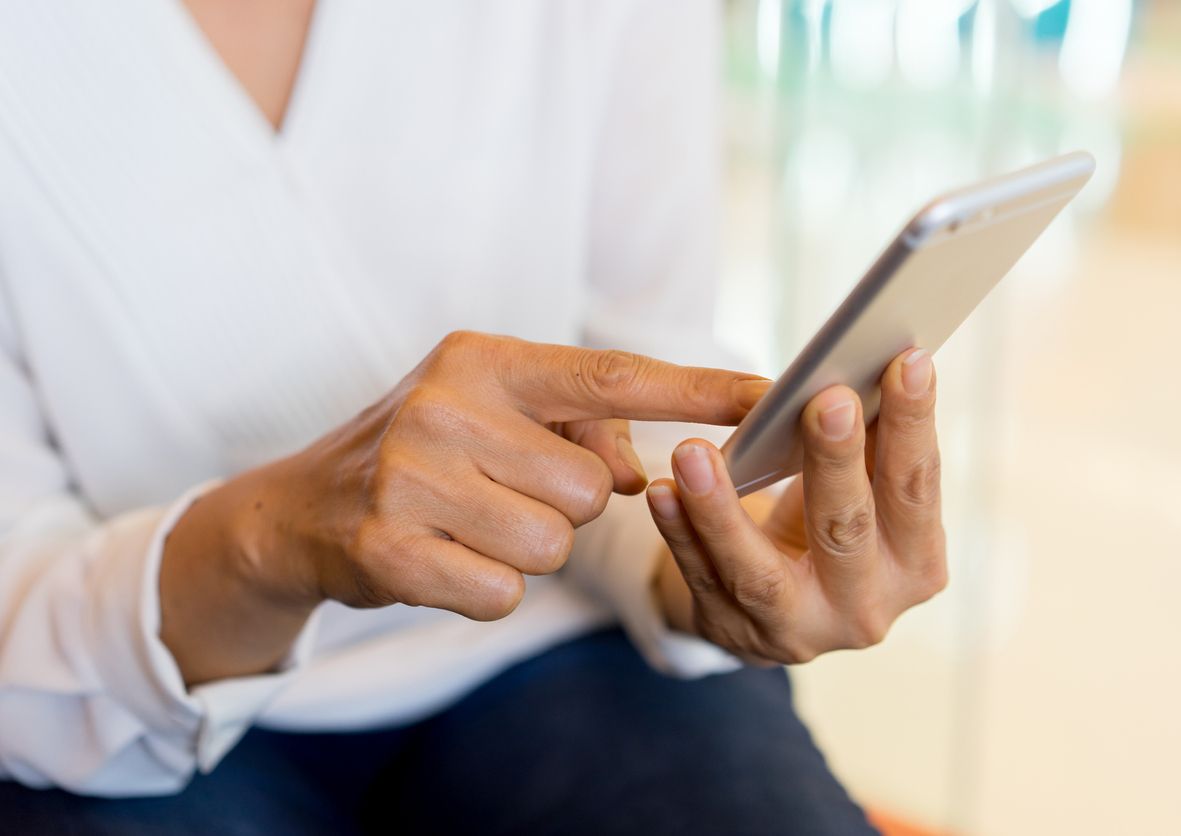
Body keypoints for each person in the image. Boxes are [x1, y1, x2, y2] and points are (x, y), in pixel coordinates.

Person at [0, 2, 946, 833]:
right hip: (114, 701)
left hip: (554, 648)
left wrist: (699, 548)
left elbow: (645, 369)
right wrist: (271, 544)